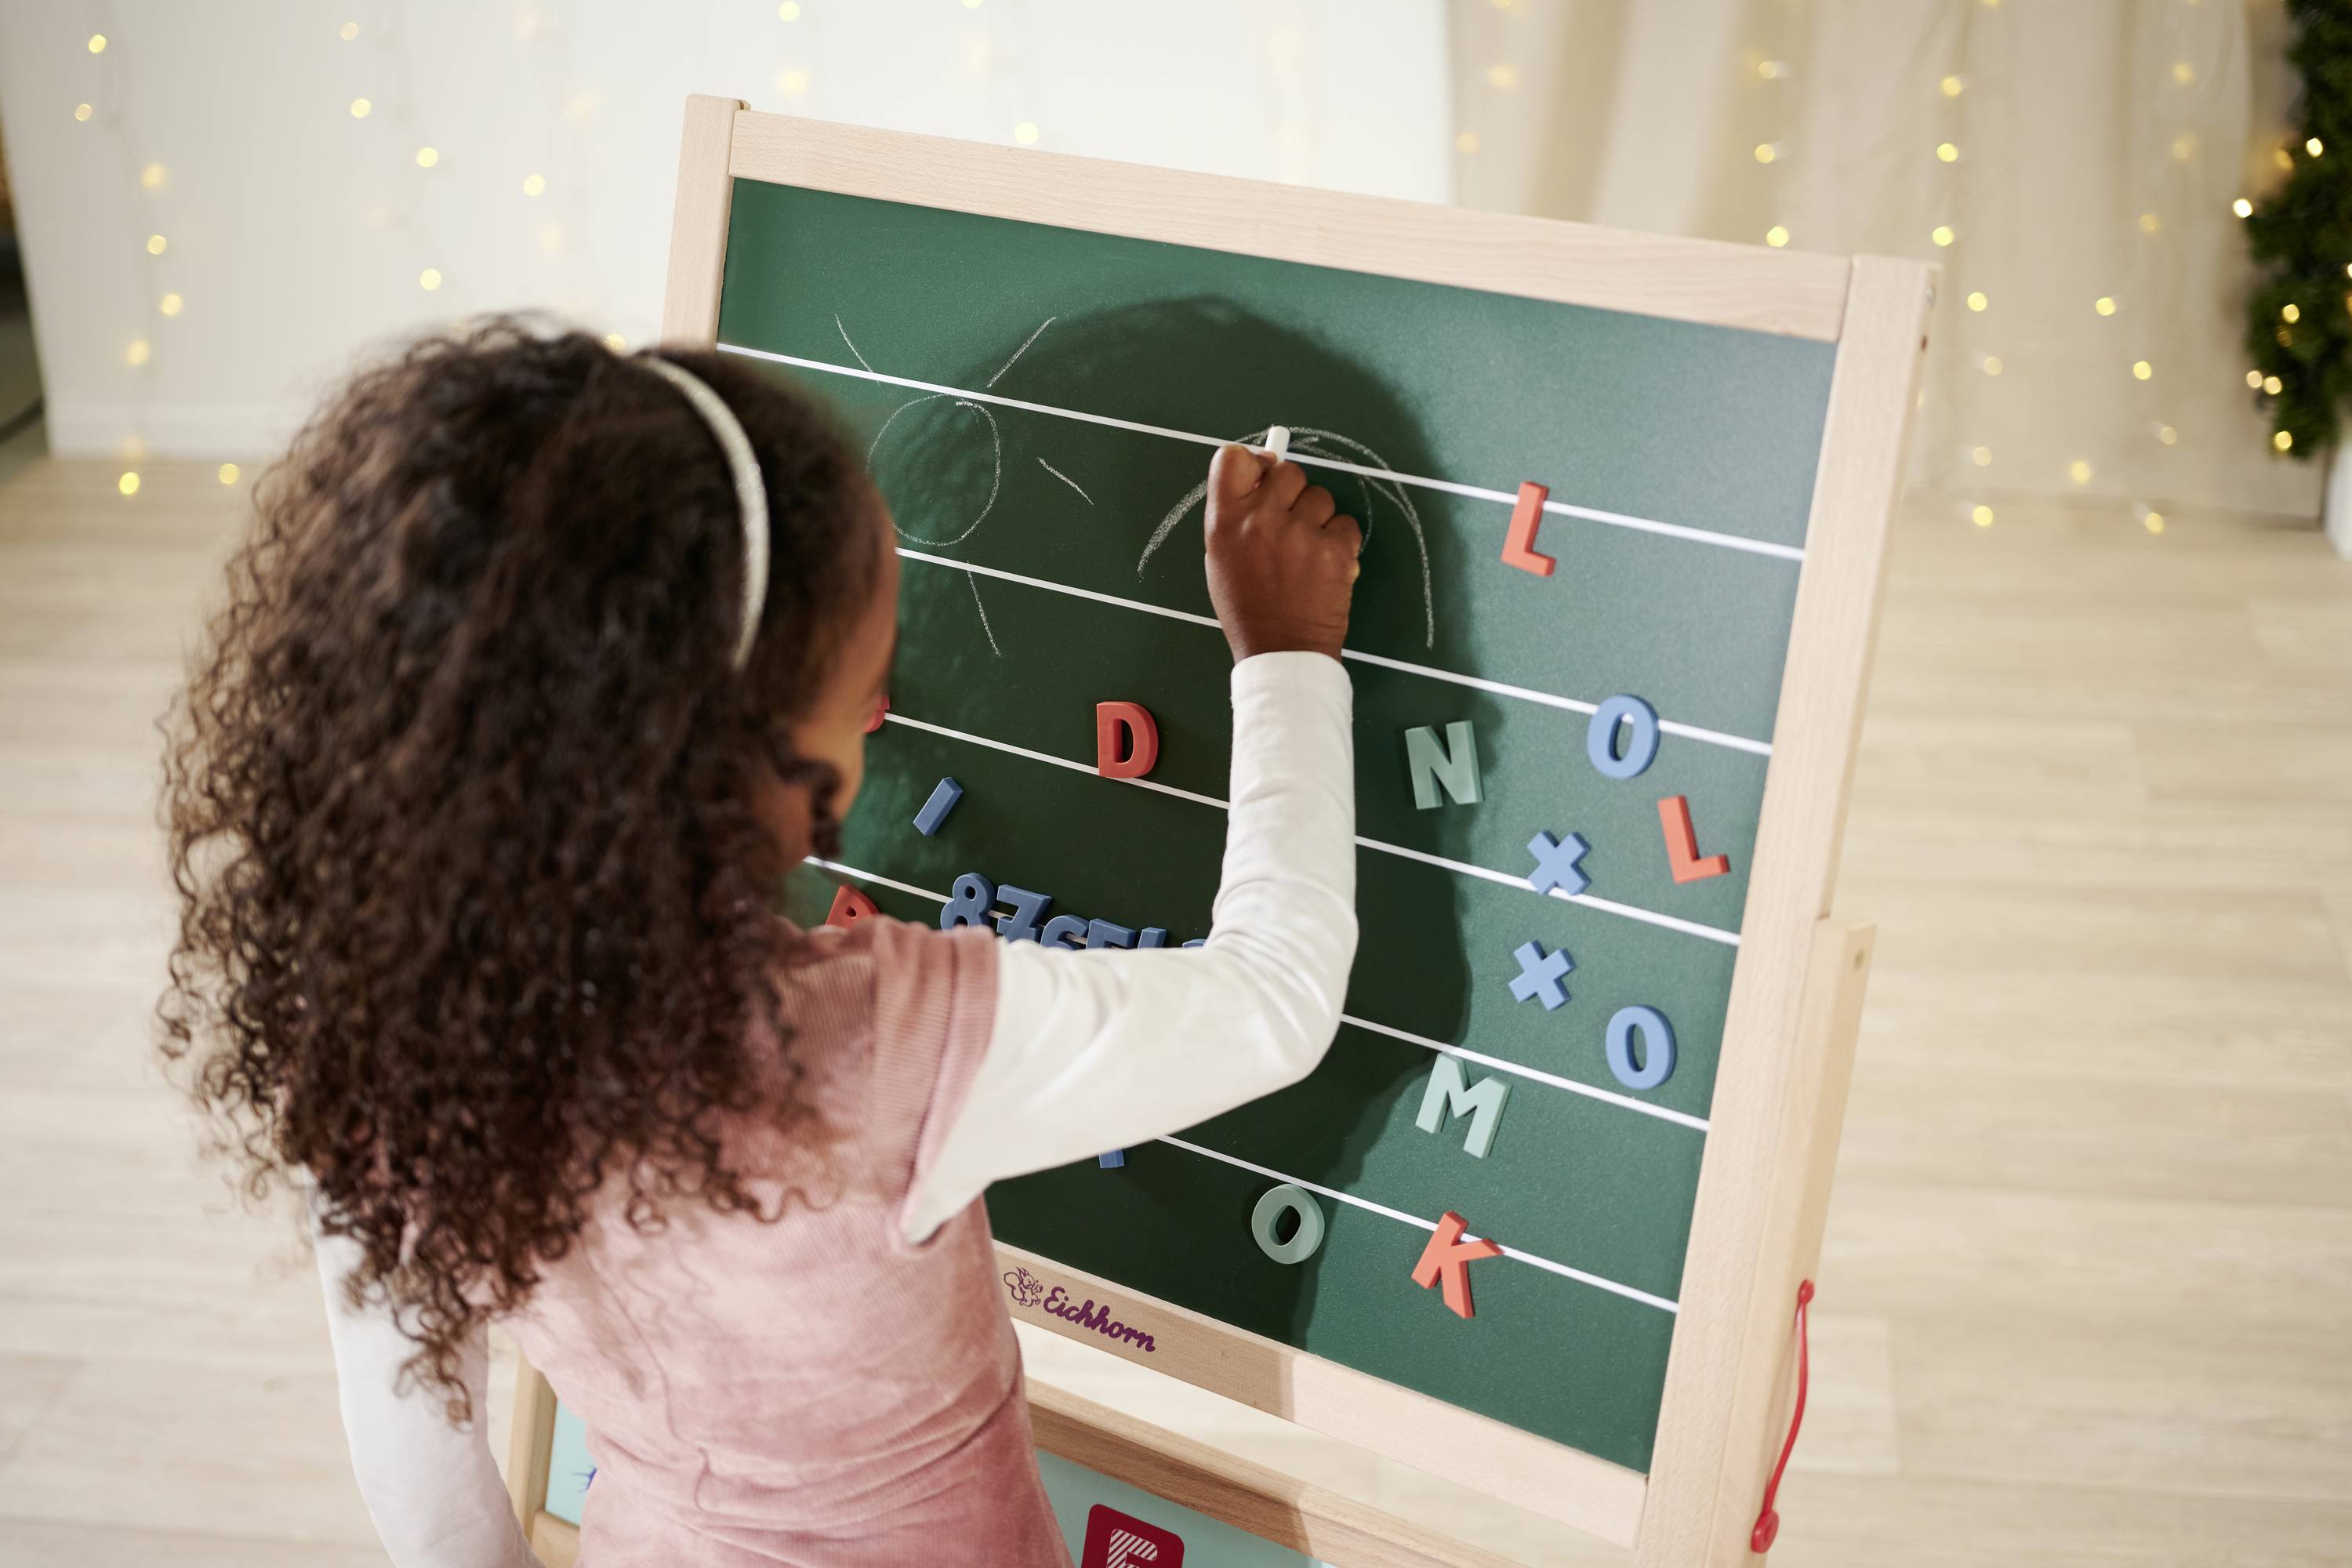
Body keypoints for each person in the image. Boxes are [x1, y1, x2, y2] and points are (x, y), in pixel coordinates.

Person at [158, 321, 1361, 1566]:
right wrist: (1285, 663)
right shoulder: (885, 1043)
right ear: (752, 760)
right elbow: (1274, 998)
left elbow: (412, 1447)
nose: (879, 718)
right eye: (857, 689)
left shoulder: (386, 1046)